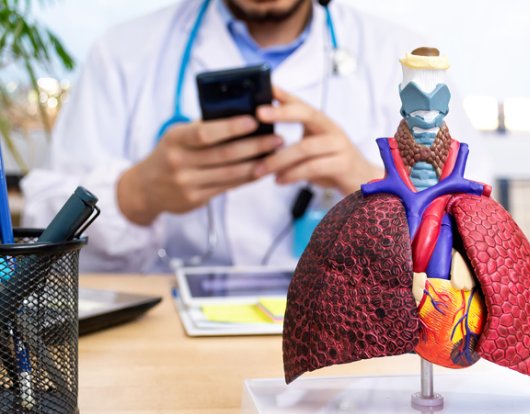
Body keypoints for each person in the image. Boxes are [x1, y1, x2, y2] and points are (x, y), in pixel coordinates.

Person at [21, 0, 481, 272]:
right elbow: (39, 226)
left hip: (359, 344)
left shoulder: (407, 63)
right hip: (168, 342)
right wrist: (135, 194)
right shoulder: (121, 53)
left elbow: (478, 226)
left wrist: (369, 181)